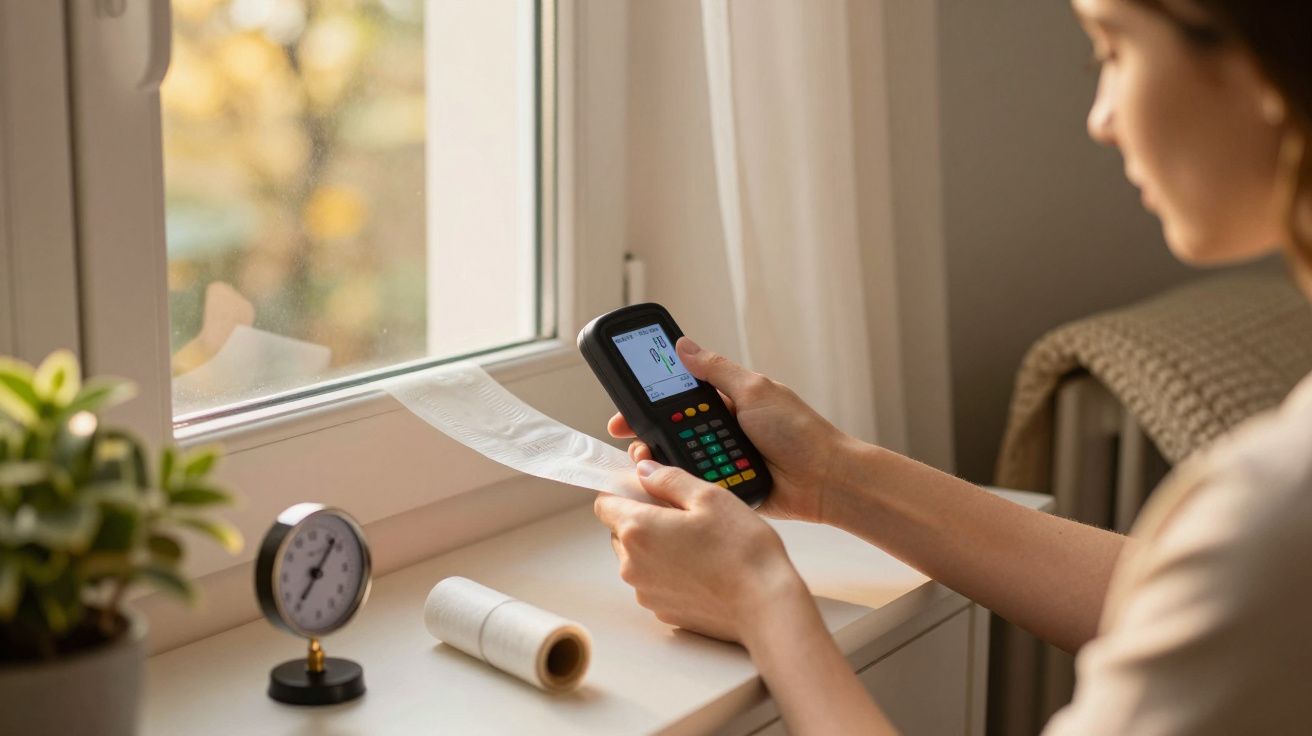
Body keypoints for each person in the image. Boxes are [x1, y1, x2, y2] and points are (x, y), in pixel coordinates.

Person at [593, 0, 1312, 733]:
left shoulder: (1276, 501)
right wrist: (835, 473)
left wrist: (762, 599)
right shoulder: (1270, 524)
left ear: (1259, 59)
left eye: (1114, 50)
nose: (1101, 117)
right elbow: (1212, 601)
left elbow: (1241, 571)